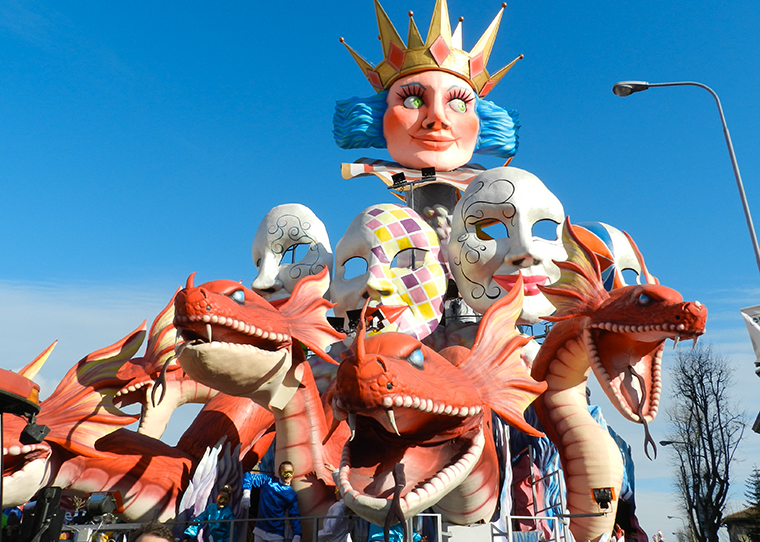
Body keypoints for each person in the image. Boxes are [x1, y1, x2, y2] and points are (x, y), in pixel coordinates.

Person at [243, 461, 302, 542]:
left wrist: (297, 535)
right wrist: (246, 492)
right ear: (279, 472)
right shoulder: (268, 481)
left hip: (276, 534)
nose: (288, 476)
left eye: (290, 472)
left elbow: (294, 516)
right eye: (285, 472)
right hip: (260, 529)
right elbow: (248, 476)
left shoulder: (291, 495)